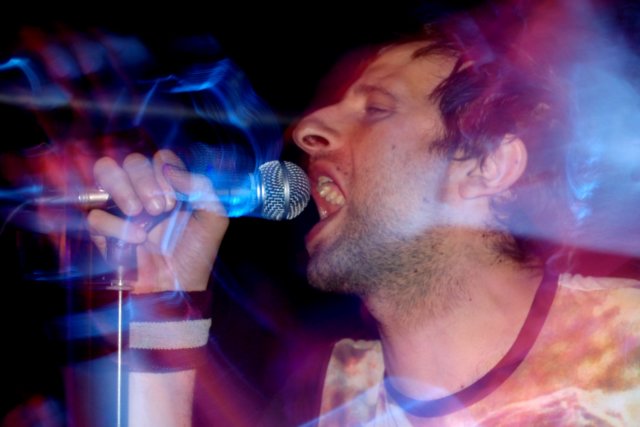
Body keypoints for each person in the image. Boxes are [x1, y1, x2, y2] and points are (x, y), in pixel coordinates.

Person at [18, 0, 640, 425]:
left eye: (376, 109)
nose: (307, 129)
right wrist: (156, 302)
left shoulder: (628, 346)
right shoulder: (318, 396)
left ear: (487, 166)